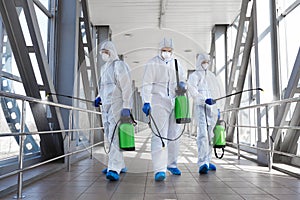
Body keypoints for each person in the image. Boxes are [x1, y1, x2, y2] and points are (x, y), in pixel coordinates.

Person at [141, 38, 187, 181]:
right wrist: (146, 101)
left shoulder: (177, 63)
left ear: (172, 51)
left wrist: (183, 85)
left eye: (169, 50)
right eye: (164, 50)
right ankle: (159, 169)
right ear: (159, 49)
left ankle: (172, 164)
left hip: (175, 101)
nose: (166, 53)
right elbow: (147, 83)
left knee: (174, 134)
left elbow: (184, 79)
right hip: (158, 101)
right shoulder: (152, 63)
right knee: (159, 135)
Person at [94, 41, 132, 181]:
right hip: (105, 105)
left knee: (115, 135)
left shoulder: (119, 65)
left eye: (106, 51)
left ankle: (113, 168)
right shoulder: (104, 68)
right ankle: (118, 164)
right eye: (102, 52)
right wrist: (98, 97)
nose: (104, 54)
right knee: (109, 135)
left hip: (117, 104)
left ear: (112, 52)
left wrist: (126, 106)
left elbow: (126, 86)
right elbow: (103, 86)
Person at [187, 53, 221, 174]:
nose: (206, 64)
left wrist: (218, 109)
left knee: (211, 135)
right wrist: (203, 99)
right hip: (201, 108)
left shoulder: (211, 76)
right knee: (202, 134)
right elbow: (192, 90)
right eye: (203, 62)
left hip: (212, 108)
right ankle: (202, 162)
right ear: (199, 62)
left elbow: (217, 92)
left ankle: (208, 159)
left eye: (207, 61)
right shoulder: (194, 76)